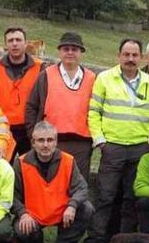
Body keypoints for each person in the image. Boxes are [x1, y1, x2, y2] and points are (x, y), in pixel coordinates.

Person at [82, 38, 149, 243]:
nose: (130, 59)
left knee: (130, 199)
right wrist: (100, 141)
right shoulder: (105, 79)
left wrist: (148, 141)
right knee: (105, 196)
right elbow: (93, 112)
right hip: (112, 147)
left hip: (139, 149)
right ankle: (96, 240)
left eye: (135, 55)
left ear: (141, 58)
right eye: (126, 54)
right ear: (119, 56)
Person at [12, 121, 93, 243]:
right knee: (21, 228)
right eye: (41, 140)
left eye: (50, 140)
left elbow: (81, 188)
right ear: (33, 142)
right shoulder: (21, 162)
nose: (45, 145)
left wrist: (72, 206)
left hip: (62, 211)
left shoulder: (68, 160)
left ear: (56, 142)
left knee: (86, 209)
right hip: (33, 215)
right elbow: (12, 195)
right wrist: (22, 213)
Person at [25, 31, 96, 178]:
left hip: (82, 143)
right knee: (50, 180)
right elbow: (31, 106)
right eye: (66, 49)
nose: (70, 52)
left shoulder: (92, 78)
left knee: (78, 183)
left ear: (81, 52)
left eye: (74, 49)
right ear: (60, 51)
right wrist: (33, 133)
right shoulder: (46, 75)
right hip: (51, 141)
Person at [0, 26, 43, 158]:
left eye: (18, 40)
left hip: (30, 129)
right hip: (3, 129)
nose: (14, 44)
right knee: (1, 166)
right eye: (10, 40)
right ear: (5, 45)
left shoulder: (39, 67)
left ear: (26, 43)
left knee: (30, 167)